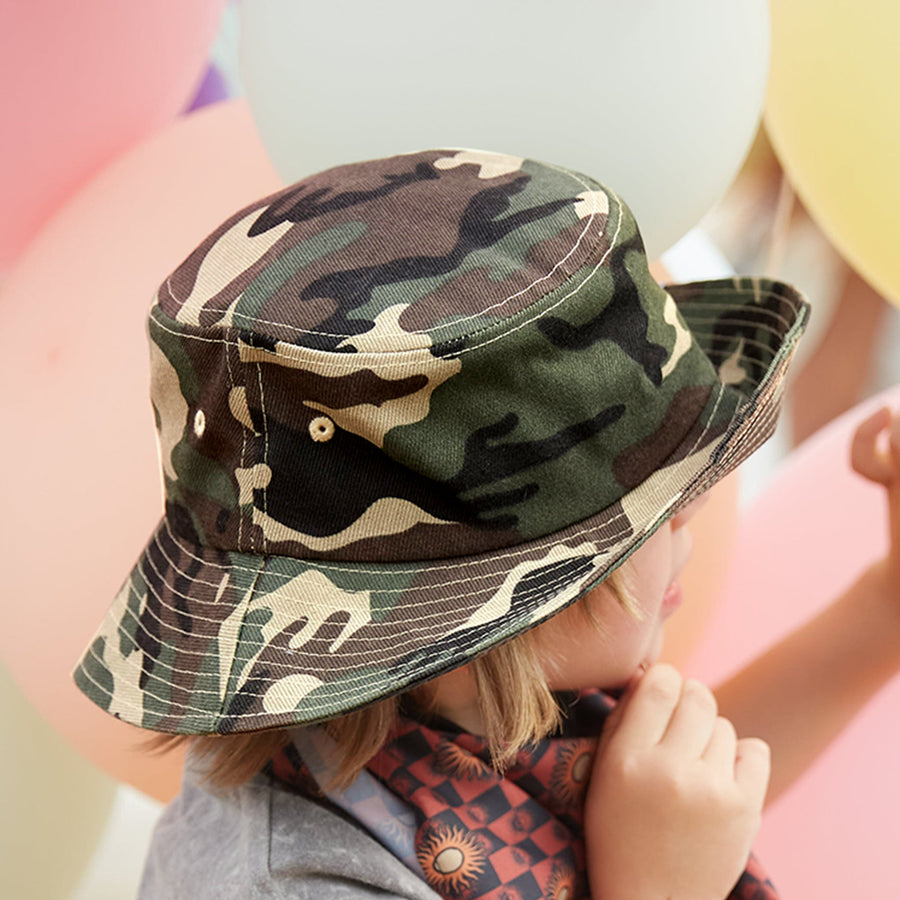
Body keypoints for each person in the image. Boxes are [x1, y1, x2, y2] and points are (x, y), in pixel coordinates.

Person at [71, 149, 899, 899]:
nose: (696, 510)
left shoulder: (472, 701)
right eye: (660, 501)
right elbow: (653, 839)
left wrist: (885, 604)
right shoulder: (291, 883)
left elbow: (672, 792)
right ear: (500, 613)